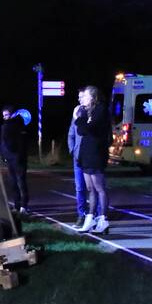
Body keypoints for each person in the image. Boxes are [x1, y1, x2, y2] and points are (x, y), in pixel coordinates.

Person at [73, 86, 111, 234]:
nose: (83, 99)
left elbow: (85, 129)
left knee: (99, 188)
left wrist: (80, 117)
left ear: (93, 98)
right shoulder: (88, 111)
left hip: (96, 155)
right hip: (86, 155)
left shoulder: (100, 110)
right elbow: (82, 131)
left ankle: (103, 219)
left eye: (86, 96)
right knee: (90, 189)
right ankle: (90, 218)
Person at [66, 88, 89, 229]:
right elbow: (71, 133)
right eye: (78, 97)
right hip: (78, 157)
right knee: (80, 188)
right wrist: (72, 149)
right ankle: (81, 214)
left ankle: (97, 215)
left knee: (93, 188)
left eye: (82, 97)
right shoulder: (76, 113)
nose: (79, 100)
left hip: (90, 158)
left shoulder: (93, 113)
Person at [0, 105, 30, 214]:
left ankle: (23, 206)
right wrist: (4, 156)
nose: (5, 117)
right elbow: (3, 143)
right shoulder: (6, 125)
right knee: (13, 182)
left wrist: (17, 154)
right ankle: (17, 205)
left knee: (20, 182)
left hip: (18, 158)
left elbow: (20, 143)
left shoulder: (17, 125)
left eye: (7, 115)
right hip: (10, 158)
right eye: (4, 115)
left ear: (12, 114)